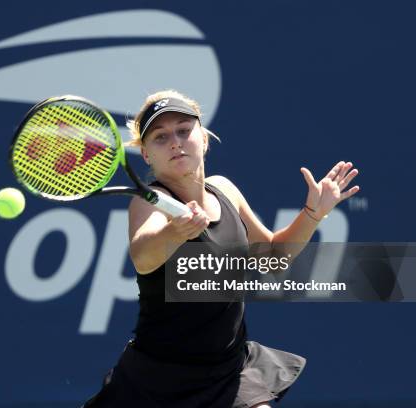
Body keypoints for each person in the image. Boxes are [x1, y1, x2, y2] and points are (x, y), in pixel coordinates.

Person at [82, 90, 360, 408]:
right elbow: (143, 258)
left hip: (229, 371)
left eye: (184, 131)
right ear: (146, 155)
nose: (175, 142)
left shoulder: (225, 189)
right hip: (158, 380)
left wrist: (313, 214)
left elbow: (273, 257)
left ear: (203, 138)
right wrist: (174, 232)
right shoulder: (147, 203)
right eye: (160, 137)